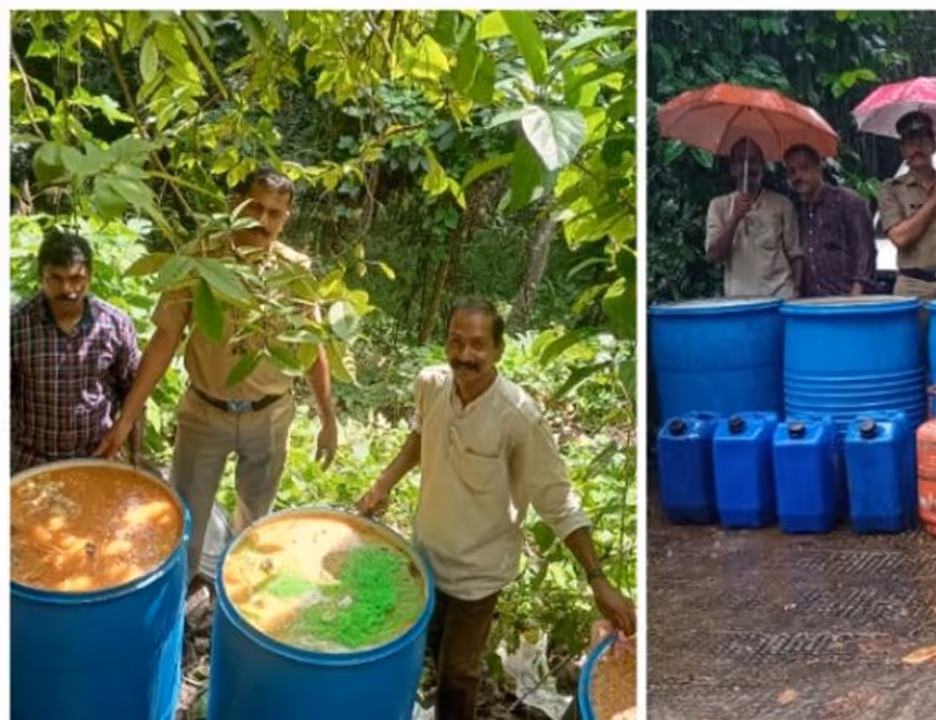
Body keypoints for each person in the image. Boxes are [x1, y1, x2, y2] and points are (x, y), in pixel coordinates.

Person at [357, 298, 636, 720]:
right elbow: (420, 435)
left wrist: (597, 579)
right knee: (429, 653)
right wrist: (384, 483)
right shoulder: (431, 385)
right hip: (426, 554)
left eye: (477, 344)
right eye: (455, 342)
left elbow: (558, 500)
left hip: (478, 573)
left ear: (498, 350)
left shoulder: (518, 417)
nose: (465, 355)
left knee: (458, 673)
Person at [95, 166, 338, 586]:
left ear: (287, 218)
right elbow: (164, 341)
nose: (263, 221)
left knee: (255, 522)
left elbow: (311, 347)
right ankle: (180, 596)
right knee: (185, 518)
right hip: (204, 413)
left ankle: (238, 595)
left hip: (270, 416)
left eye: (275, 213)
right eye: (255, 208)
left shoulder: (295, 272)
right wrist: (127, 417)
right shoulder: (199, 260)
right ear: (236, 204)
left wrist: (328, 418)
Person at [11, 228, 141, 474]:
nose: (67, 289)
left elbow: (133, 391)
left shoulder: (114, 325)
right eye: (56, 278)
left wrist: (136, 457)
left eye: (76, 278)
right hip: (29, 460)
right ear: (40, 276)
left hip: (97, 455)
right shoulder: (15, 325)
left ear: (90, 276)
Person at [879, 111, 936, 300]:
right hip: (912, 286)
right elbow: (900, 238)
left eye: (922, 141)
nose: (917, 148)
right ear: (902, 150)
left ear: (933, 146)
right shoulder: (891, 189)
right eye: (910, 143)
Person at [705, 137, 802, 298]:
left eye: (754, 160)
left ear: (762, 166)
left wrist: (797, 292)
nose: (748, 166)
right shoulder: (719, 206)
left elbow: (795, 254)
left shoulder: (782, 204)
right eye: (741, 160)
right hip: (739, 301)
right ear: (732, 168)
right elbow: (713, 256)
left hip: (780, 297)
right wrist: (735, 218)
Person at [783, 143, 877, 296]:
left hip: (846, 298)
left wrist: (856, 297)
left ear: (818, 169)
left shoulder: (847, 202)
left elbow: (865, 252)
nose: (798, 176)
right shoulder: (797, 211)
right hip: (811, 302)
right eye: (791, 172)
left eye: (804, 168)